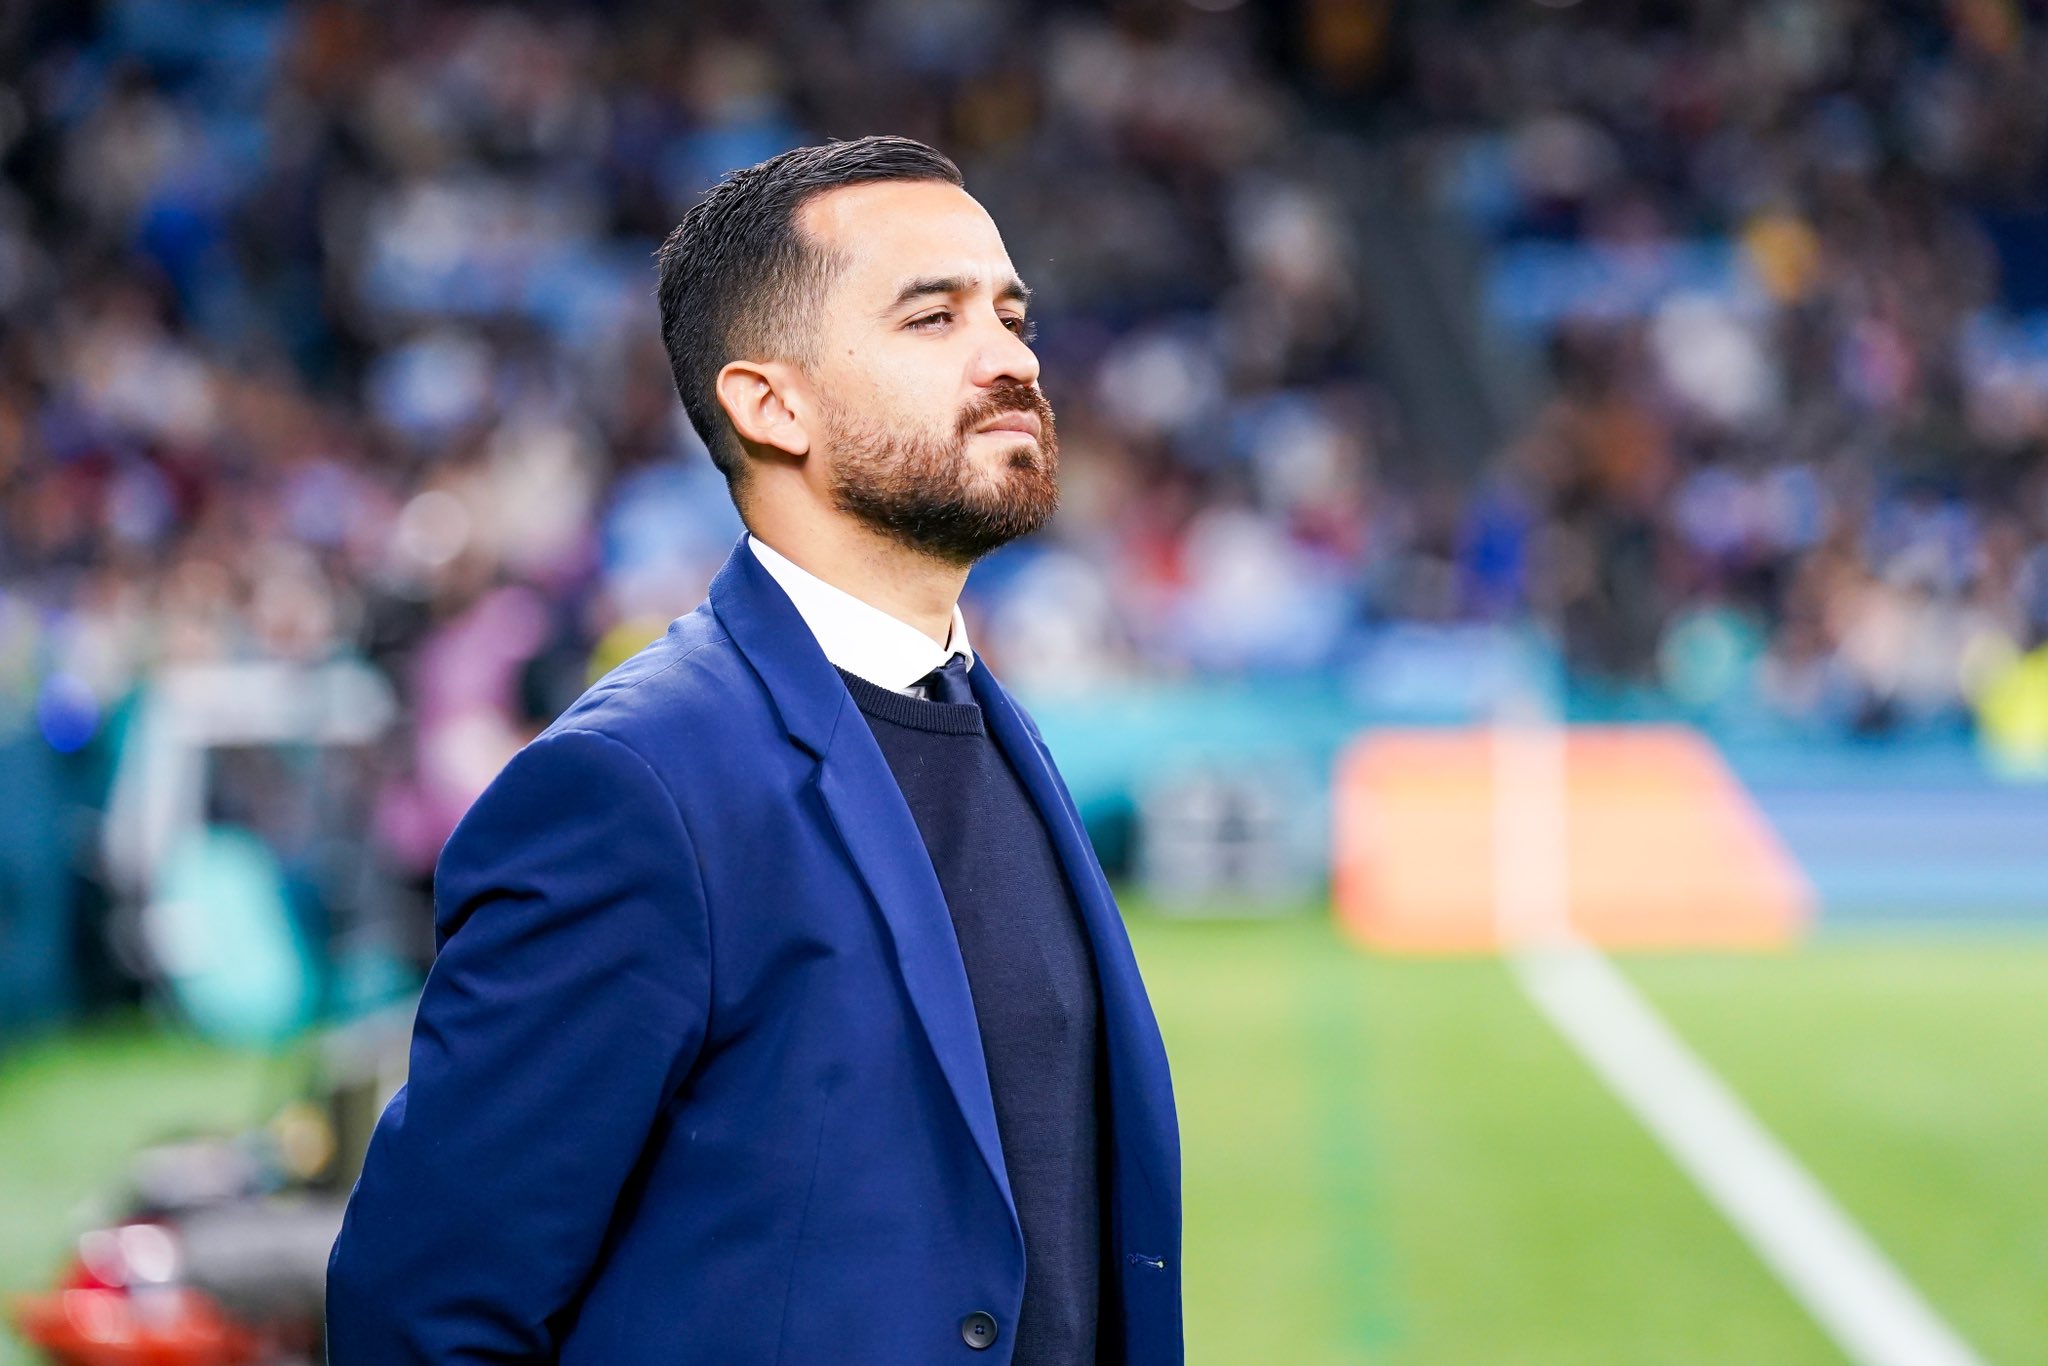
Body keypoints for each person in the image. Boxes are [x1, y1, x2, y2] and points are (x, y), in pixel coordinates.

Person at [325, 135, 1182, 1365]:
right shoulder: (629, 788)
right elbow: (424, 1311)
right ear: (768, 403)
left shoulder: (993, 726)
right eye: (931, 318)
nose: (1008, 357)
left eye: (1010, 313)